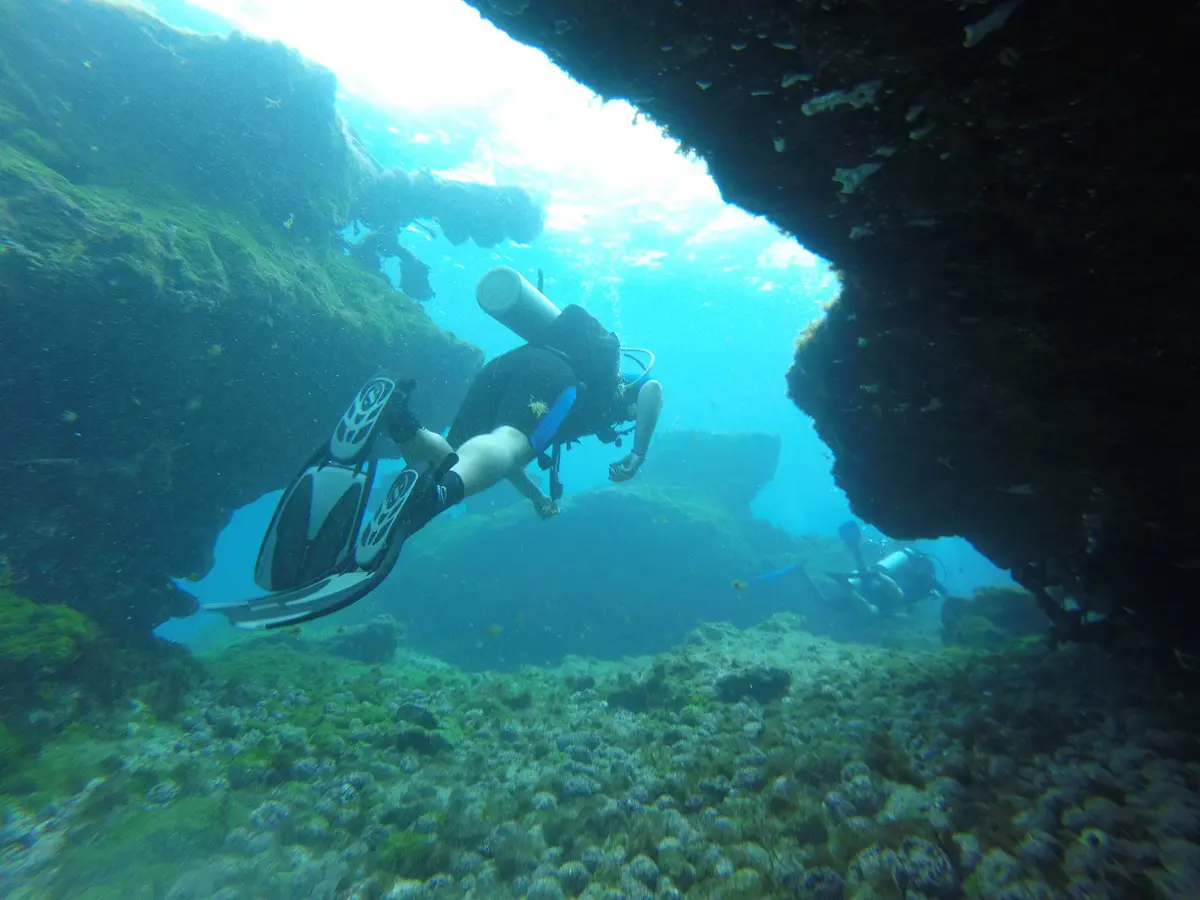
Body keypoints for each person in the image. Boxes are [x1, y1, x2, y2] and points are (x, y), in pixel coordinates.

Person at [208, 267, 662, 630]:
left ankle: (402, 426)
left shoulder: (553, 376)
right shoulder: (613, 395)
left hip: (503, 369)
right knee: (503, 448)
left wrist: (537, 497)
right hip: (550, 376)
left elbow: (495, 458)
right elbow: (653, 391)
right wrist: (638, 453)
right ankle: (432, 498)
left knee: (458, 454)